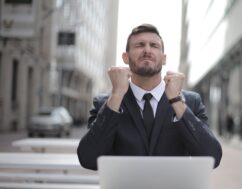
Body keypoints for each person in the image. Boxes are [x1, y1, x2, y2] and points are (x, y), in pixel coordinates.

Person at [77, 24, 222, 170]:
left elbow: (212, 157)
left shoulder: (190, 102)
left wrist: (176, 101)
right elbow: (88, 159)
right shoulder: (106, 103)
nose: (147, 50)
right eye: (140, 45)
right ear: (125, 57)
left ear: (164, 58)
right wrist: (116, 95)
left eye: (154, 45)